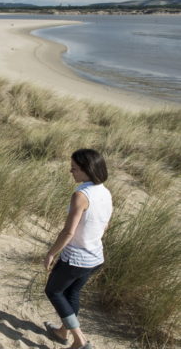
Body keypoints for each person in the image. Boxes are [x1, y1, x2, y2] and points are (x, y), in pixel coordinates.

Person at [44, 149, 112, 349]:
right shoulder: (105, 192)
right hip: (95, 257)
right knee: (71, 294)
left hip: (76, 258)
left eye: (74, 168)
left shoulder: (81, 195)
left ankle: (80, 341)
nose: (70, 171)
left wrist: (51, 253)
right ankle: (62, 332)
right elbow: (104, 225)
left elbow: (68, 232)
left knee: (54, 291)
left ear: (86, 170)